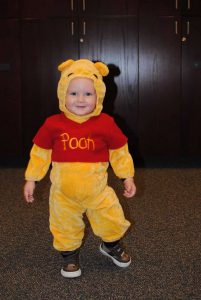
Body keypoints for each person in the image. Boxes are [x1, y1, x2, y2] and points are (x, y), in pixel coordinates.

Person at [23, 59, 136, 278]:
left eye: (88, 94)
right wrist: (31, 179)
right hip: (63, 193)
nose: (81, 99)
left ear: (99, 96)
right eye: (73, 93)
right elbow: (40, 153)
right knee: (64, 225)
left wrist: (126, 177)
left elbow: (120, 151)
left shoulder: (106, 123)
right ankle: (69, 255)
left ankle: (111, 245)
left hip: (97, 190)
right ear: (62, 94)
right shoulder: (53, 124)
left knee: (111, 218)